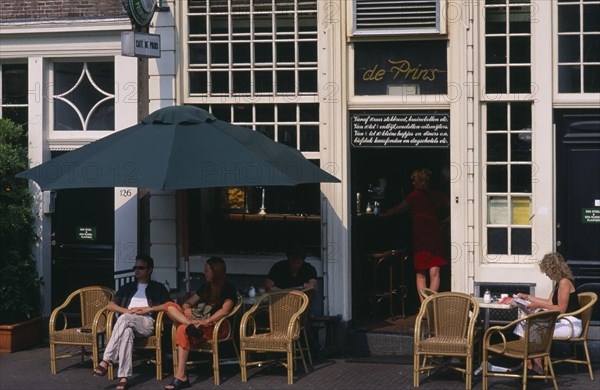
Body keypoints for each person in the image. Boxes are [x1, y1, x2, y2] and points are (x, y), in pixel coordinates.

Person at [93, 254, 171, 390]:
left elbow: (168, 306)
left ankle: (106, 360)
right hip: (128, 322)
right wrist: (126, 311)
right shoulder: (127, 287)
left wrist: (148, 309)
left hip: (147, 322)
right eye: (135, 267)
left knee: (124, 318)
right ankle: (123, 378)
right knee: (127, 332)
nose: (137, 270)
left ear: (150, 270)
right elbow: (110, 306)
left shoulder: (158, 288)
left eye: (141, 268)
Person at [163, 257, 237, 390]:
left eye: (207, 270)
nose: (204, 273)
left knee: (181, 329)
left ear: (216, 272)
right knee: (169, 305)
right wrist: (187, 308)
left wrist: (206, 321)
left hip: (215, 327)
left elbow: (225, 310)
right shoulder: (206, 287)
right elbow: (188, 302)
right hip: (196, 323)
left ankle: (181, 377)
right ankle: (189, 326)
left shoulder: (228, 289)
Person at [378, 168, 449, 299]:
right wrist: (446, 221)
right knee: (435, 271)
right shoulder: (436, 195)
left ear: (423, 181)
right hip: (435, 235)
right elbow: (456, 204)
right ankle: (430, 305)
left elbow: (399, 209)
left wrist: (383, 215)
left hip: (421, 237)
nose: (413, 184)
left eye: (415, 181)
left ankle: (424, 306)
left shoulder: (414, 196)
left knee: (420, 272)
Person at [514, 252, 582, 375]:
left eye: (547, 271)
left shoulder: (564, 282)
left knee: (532, 326)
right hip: (563, 320)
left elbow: (561, 309)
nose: (546, 274)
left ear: (553, 269)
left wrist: (538, 306)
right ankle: (530, 363)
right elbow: (549, 302)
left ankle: (533, 363)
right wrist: (528, 297)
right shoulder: (559, 283)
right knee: (524, 322)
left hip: (570, 324)